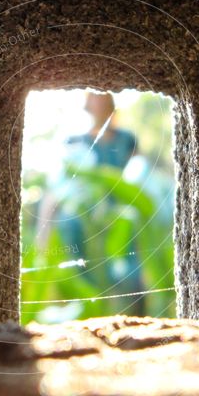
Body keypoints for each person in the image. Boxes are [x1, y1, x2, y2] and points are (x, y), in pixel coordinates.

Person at [38, 91, 146, 315]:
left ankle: (136, 311)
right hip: (87, 212)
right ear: (88, 104)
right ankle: (89, 304)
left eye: (104, 97)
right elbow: (60, 186)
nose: (99, 101)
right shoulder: (76, 141)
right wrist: (44, 232)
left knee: (128, 253)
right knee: (72, 228)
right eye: (95, 97)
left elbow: (140, 173)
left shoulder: (127, 139)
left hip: (121, 208)